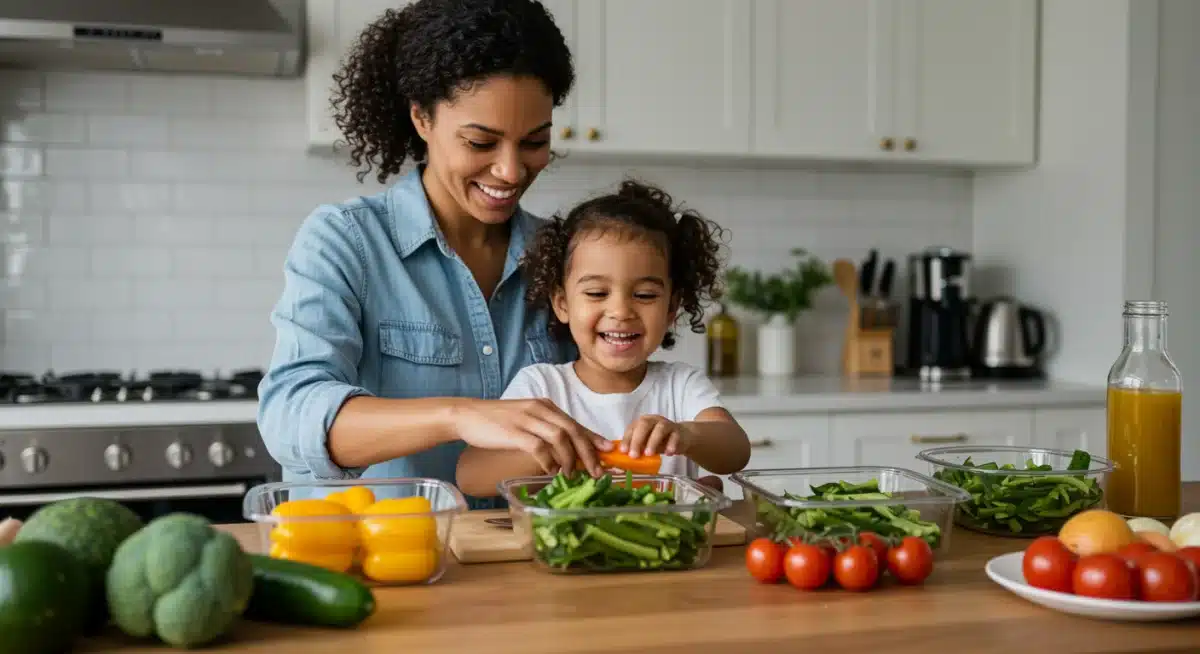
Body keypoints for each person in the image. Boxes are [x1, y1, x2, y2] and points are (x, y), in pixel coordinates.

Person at [256, 0, 616, 508]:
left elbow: (607, 395)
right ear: (422, 117)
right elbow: (290, 415)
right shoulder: (346, 242)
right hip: (387, 564)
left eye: (534, 142)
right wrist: (459, 415)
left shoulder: (562, 256)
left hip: (529, 563)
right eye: (480, 142)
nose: (511, 171)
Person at [456, 180, 753, 497]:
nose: (621, 311)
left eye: (644, 294)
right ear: (562, 304)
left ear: (671, 309)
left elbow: (736, 450)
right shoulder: (541, 387)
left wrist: (687, 434)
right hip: (563, 545)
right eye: (597, 293)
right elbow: (472, 475)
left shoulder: (680, 385)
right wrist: (547, 452)